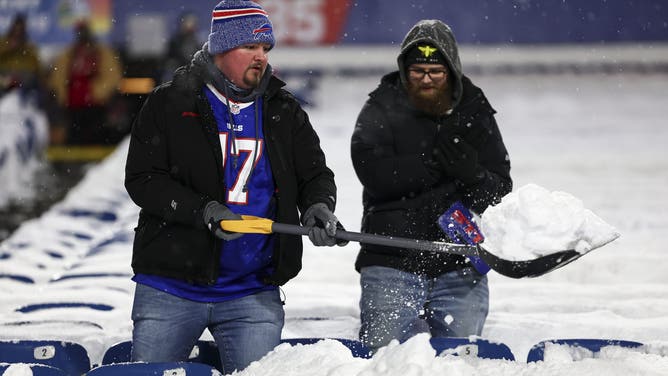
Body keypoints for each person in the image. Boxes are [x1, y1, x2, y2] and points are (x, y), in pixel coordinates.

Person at [124, 1, 346, 374]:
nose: (260, 57)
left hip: (253, 292)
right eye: (250, 47)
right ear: (221, 49)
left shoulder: (283, 109)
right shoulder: (169, 102)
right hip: (170, 287)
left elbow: (315, 174)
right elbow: (143, 180)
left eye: (265, 49)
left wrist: (318, 206)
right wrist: (202, 211)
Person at [350, 19, 513, 353]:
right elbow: (375, 177)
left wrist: (473, 176)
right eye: (417, 71)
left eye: (435, 72)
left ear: (451, 70)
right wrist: (435, 165)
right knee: (383, 362)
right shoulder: (380, 106)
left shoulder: (475, 111)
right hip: (390, 262)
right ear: (404, 69)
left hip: (460, 264)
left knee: (463, 362)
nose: (426, 79)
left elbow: (500, 196)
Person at [48, 20, 122, 144]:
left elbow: (113, 77)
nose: (83, 35)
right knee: (74, 135)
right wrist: (64, 94)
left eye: (84, 32)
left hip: (96, 105)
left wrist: (96, 92)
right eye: (80, 32)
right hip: (72, 105)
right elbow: (57, 78)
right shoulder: (69, 54)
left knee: (96, 135)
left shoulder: (102, 53)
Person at [0, 13, 41, 93]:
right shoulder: (3, 43)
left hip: (23, 87)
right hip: (3, 83)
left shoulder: (29, 48)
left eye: (20, 32)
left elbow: (37, 70)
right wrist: (7, 48)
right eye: (15, 32)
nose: (17, 34)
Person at [162, 11, 202, 82]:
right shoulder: (175, 42)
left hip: (191, 76)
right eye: (188, 23)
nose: (191, 26)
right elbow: (170, 60)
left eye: (192, 23)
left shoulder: (196, 42)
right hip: (179, 75)